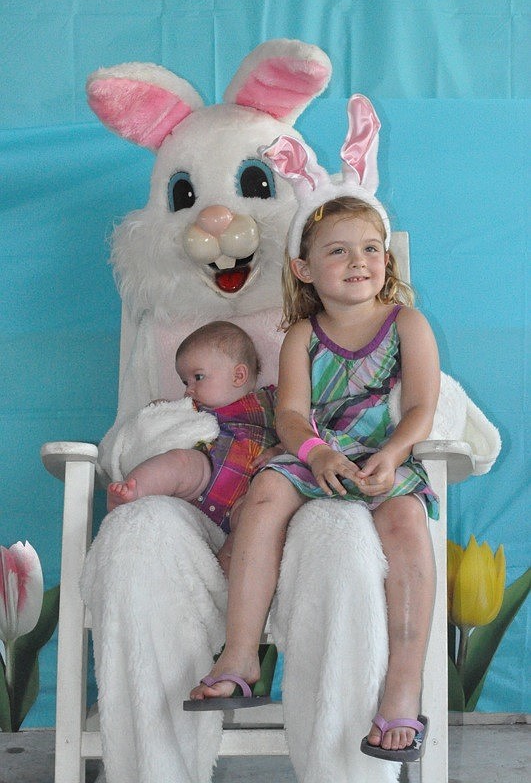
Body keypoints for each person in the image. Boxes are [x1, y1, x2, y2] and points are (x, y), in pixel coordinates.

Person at [187, 191, 440, 761]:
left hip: (382, 451)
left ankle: (402, 688)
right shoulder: (303, 334)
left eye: (371, 249)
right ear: (304, 269)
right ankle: (242, 654)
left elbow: (422, 407)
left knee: (406, 522)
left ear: (387, 262)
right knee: (267, 490)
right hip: (315, 451)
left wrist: (396, 453)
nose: (358, 261)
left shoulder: (407, 323)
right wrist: (318, 455)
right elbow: (291, 414)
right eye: (339, 251)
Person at [107, 320, 282, 573]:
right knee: (180, 461)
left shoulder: (270, 402)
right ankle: (134, 490)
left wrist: (279, 451)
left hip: (247, 492)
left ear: (239, 375)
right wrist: (161, 410)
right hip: (205, 478)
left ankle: (225, 569)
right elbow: (158, 425)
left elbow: (296, 426)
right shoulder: (194, 409)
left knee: (255, 517)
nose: (189, 389)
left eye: (197, 377)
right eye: (185, 381)